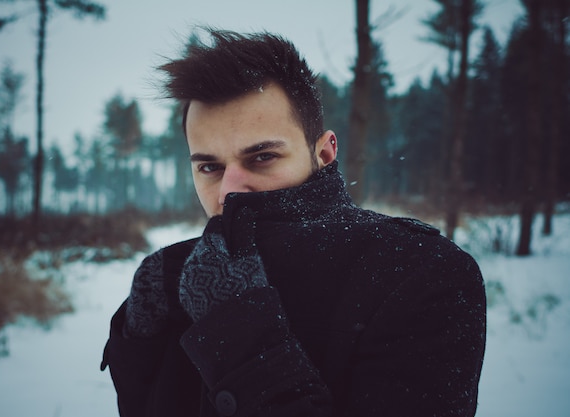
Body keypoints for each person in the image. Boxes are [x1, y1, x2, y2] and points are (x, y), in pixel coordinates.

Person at [101, 28, 486, 417]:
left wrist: (238, 336)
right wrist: (133, 344)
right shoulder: (176, 278)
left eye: (262, 157)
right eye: (209, 166)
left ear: (323, 152)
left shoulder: (421, 271)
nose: (229, 191)